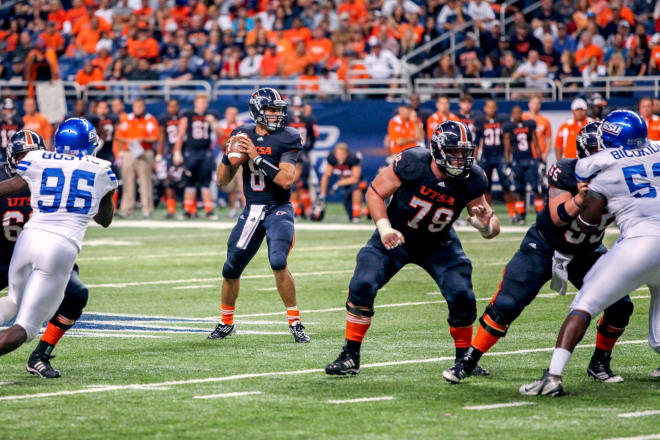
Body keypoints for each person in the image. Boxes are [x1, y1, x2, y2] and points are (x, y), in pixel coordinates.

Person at [444, 121, 634, 384]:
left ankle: (600, 362)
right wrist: (579, 199)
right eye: (595, 150)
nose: (601, 156)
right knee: (506, 305)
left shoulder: (624, 176)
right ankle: (468, 360)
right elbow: (557, 217)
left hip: (587, 251)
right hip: (544, 246)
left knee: (621, 305)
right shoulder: (566, 172)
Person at [325, 120, 501, 376]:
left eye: (465, 152)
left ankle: (465, 360)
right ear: (438, 151)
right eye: (454, 152)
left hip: (438, 241)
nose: (461, 158)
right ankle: (350, 355)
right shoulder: (412, 162)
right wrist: (384, 228)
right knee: (363, 282)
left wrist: (486, 226)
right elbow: (375, 192)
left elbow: (491, 224)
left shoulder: (473, 178)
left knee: (462, 294)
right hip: (396, 234)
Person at [520, 110, 657, 396]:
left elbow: (589, 218)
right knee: (658, 333)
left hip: (640, 242)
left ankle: (553, 376)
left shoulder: (598, 164)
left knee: (584, 304)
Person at [0, 119, 116, 361]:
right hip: (58, 247)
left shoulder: (37, 159)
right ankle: (38, 353)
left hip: (27, 239)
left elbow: (11, 186)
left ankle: (40, 357)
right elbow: (104, 220)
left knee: (13, 300)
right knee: (25, 328)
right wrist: (106, 193)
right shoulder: (102, 168)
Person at [210, 88, 310, 343]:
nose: (277, 115)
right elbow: (222, 181)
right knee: (230, 268)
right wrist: (228, 155)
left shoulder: (288, 137)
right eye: (272, 110)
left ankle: (295, 321)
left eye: (279, 110)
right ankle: (226, 322)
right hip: (252, 209)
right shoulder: (242, 134)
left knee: (278, 261)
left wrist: (255, 156)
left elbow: (286, 180)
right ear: (257, 111)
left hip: (278, 208)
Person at [173, 94, 220, 220]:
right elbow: (181, 133)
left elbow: (219, 133)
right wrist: (177, 151)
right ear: (195, 103)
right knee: (190, 181)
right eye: (200, 102)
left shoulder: (211, 115)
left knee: (206, 182)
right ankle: (188, 210)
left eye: (205, 103)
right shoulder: (188, 114)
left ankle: (209, 211)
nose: (203, 105)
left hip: (206, 152)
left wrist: (213, 123)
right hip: (191, 151)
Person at [115, 98, 158, 219]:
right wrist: (129, 141)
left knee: (145, 182)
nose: (138, 109)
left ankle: (147, 209)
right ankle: (126, 209)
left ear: (143, 107)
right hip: (129, 152)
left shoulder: (150, 119)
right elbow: (118, 136)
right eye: (135, 106)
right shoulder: (127, 119)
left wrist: (142, 139)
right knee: (128, 181)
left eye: (140, 106)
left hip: (144, 151)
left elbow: (155, 137)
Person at [474, 99, 516, 222]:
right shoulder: (480, 121)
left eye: (493, 107)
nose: (491, 109)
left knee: (506, 186)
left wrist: (507, 159)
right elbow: (477, 142)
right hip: (486, 157)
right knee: (486, 187)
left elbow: (507, 140)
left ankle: (512, 214)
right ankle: (488, 213)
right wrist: (475, 159)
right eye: (489, 107)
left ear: (496, 108)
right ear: (485, 108)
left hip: (499, 156)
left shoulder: (502, 120)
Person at [504, 105, 542, 224]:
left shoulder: (529, 124)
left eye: (519, 112)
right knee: (519, 189)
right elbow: (507, 147)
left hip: (530, 159)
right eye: (514, 113)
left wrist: (540, 159)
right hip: (517, 161)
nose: (517, 115)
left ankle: (540, 214)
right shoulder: (509, 127)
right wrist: (507, 162)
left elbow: (535, 142)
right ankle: (521, 215)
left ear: (522, 113)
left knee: (536, 188)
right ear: (511, 115)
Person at [287, 96, 318, 219]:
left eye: (299, 106)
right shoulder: (286, 119)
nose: (297, 109)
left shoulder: (309, 119)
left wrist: (307, 150)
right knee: (291, 182)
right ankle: (296, 210)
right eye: (295, 106)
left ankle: (306, 210)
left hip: (303, 152)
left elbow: (314, 136)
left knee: (304, 183)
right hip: (288, 153)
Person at [319, 142, 364, 222]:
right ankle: (367, 212)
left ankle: (357, 216)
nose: (340, 156)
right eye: (338, 154)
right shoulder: (332, 158)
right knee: (349, 211)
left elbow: (355, 178)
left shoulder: (353, 158)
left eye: (342, 154)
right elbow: (326, 176)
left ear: (347, 154)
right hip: (346, 186)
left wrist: (338, 184)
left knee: (356, 189)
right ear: (335, 154)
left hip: (359, 182)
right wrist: (322, 194)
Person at [156, 100, 182, 219]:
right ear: (167, 107)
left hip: (183, 152)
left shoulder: (183, 116)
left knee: (186, 180)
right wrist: (160, 154)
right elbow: (161, 137)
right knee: (169, 182)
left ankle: (189, 209)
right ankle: (171, 209)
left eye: (175, 106)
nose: (173, 108)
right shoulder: (164, 118)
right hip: (170, 153)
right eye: (171, 106)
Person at [216, 106, 243, 218]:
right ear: (226, 115)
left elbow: (243, 144)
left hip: (241, 158)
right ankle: (233, 208)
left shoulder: (241, 125)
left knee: (242, 185)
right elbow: (222, 145)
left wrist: (227, 137)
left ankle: (246, 207)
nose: (232, 116)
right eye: (230, 114)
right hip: (226, 157)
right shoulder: (221, 126)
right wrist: (232, 139)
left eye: (234, 114)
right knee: (230, 186)